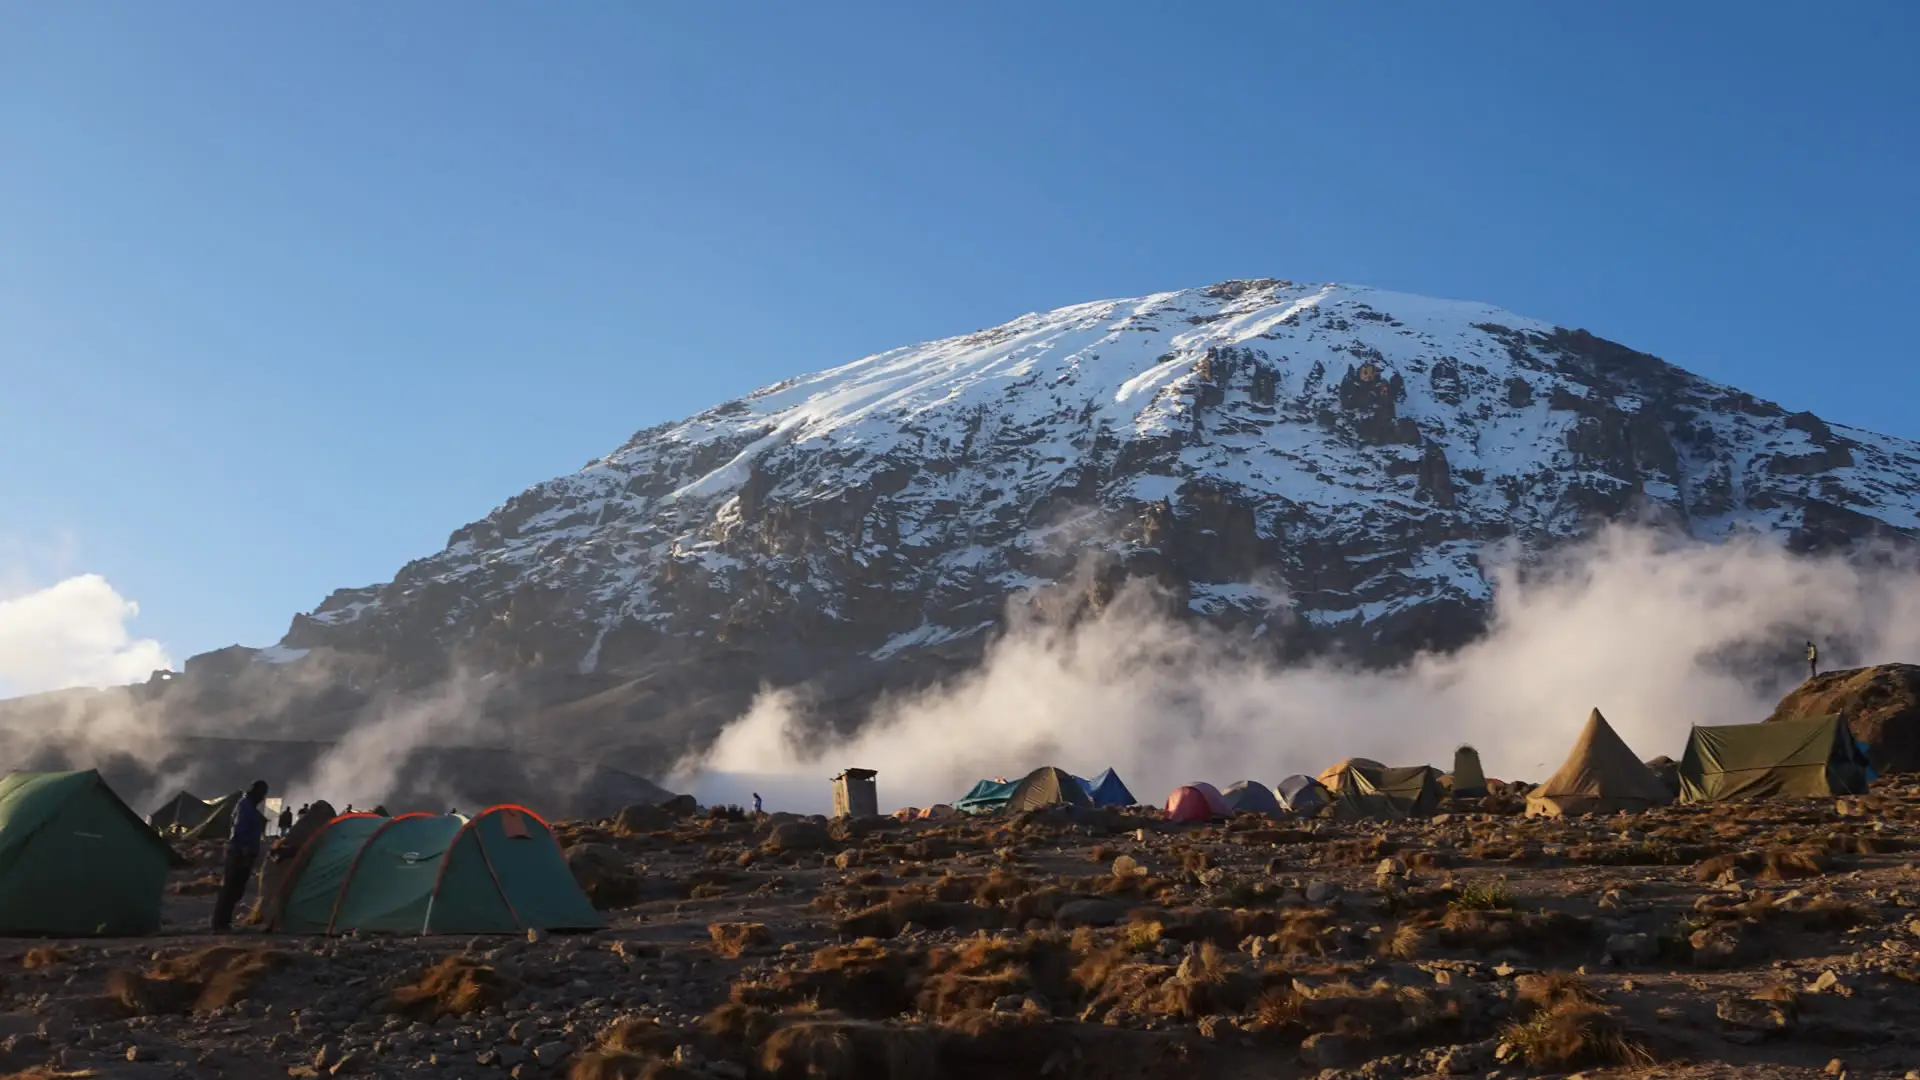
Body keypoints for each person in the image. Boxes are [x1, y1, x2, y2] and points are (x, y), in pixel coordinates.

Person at [213, 780, 270, 932]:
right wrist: (244, 851)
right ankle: (220, 923)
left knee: (236, 889)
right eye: (262, 794)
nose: (263, 798)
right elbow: (240, 829)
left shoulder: (248, 806)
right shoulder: (244, 806)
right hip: (239, 853)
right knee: (231, 887)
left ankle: (223, 921)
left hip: (243, 852)